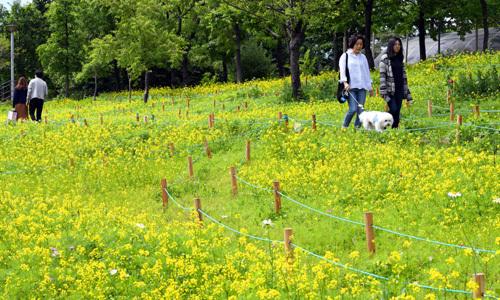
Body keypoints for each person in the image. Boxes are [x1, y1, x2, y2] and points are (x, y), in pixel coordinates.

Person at [339, 34, 374, 129]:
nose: (359, 46)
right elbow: (342, 71)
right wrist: (345, 83)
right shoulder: (345, 56)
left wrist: (370, 88)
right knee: (353, 109)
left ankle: (356, 129)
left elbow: (367, 73)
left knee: (361, 110)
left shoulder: (363, 57)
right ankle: (344, 127)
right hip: (350, 88)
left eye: (361, 44)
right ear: (352, 44)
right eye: (357, 44)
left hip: (362, 87)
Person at [379, 37, 413, 128]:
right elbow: (382, 76)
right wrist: (383, 91)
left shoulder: (400, 58)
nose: (397, 46)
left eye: (399, 44)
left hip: (400, 89)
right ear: (391, 46)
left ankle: (394, 131)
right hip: (390, 90)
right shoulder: (385, 58)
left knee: (397, 112)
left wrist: (408, 94)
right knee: (393, 109)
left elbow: (404, 77)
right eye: (395, 44)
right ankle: (381, 121)